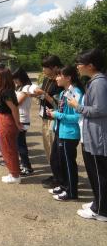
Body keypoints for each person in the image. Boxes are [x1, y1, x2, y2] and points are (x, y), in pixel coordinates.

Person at [68, 49, 107, 222]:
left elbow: (100, 109)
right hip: (94, 134)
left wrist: (78, 106)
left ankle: (101, 210)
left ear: (90, 66)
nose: (77, 66)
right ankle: (98, 202)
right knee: (96, 172)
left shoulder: (99, 83)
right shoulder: (95, 81)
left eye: (80, 63)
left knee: (99, 173)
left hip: (99, 136)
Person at [46, 66, 84, 201]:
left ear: (68, 78)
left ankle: (72, 192)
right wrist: (53, 114)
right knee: (60, 161)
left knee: (69, 164)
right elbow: (62, 112)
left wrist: (58, 115)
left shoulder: (76, 92)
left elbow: (77, 117)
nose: (56, 78)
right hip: (60, 132)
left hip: (70, 133)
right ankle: (64, 186)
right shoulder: (63, 93)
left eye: (59, 76)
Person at [33, 55, 63, 187]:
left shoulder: (60, 81)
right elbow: (43, 96)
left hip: (54, 118)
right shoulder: (46, 79)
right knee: (47, 148)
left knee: (54, 148)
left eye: (46, 67)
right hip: (45, 117)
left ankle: (60, 178)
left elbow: (59, 103)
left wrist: (45, 95)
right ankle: (55, 174)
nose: (44, 69)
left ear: (55, 67)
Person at [0, 69, 23, 184]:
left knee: (9, 148)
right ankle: (12, 172)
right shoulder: (5, 91)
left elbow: (14, 109)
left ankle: (15, 175)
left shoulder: (6, 92)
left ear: (2, 78)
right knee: (6, 148)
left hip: (7, 120)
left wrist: (17, 123)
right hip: (3, 118)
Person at [12, 67, 33, 176]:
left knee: (21, 145)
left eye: (16, 79)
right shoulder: (19, 87)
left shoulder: (26, 88)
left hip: (22, 119)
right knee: (18, 144)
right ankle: (24, 164)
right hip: (18, 118)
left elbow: (17, 102)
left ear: (21, 77)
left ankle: (27, 167)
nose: (15, 81)